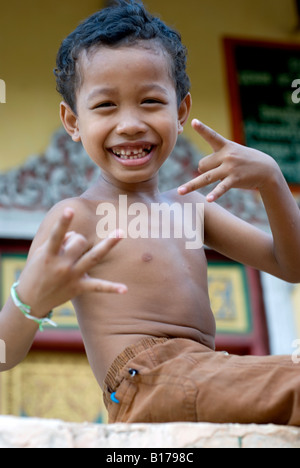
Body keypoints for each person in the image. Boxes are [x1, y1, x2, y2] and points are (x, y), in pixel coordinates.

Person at [1, 0, 300, 425]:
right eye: (105, 106)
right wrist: (30, 298)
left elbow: (292, 265)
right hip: (147, 383)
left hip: (212, 372)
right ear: (72, 121)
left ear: (180, 112)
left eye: (150, 101)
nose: (130, 124)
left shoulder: (192, 208)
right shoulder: (78, 216)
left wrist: (271, 179)